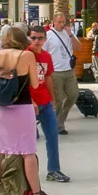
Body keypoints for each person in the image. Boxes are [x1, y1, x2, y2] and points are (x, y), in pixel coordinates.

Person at [0, 27, 45, 195]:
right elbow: (35, 84)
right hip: (22, 108)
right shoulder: (26, 56)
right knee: (27, 152)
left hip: (1, 110)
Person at [28, 27, 70, 183]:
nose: (37, 41)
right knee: (27, 140)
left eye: (40, 38)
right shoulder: (25, 55)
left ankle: (53, 170)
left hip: (45, 102)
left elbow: (48, 78)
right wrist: (30, 100)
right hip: (29, 104)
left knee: (52, 135)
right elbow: (22, 81)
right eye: (33, 38)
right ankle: (26, 172)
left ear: (45, 39)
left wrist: (53, 99)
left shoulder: (46, 56)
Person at [43, 12, 82, 135]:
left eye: (63, 22)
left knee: (73, 95)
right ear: (54, 22)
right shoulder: (48, 35)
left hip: (69, 70)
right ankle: (56, 124)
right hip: (55, 72)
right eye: (59, 22)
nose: (61, 24)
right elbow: (43, 53)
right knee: (58, 99)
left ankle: (60, 120)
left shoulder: (68, 34)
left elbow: (79, 47)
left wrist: (71, 35)